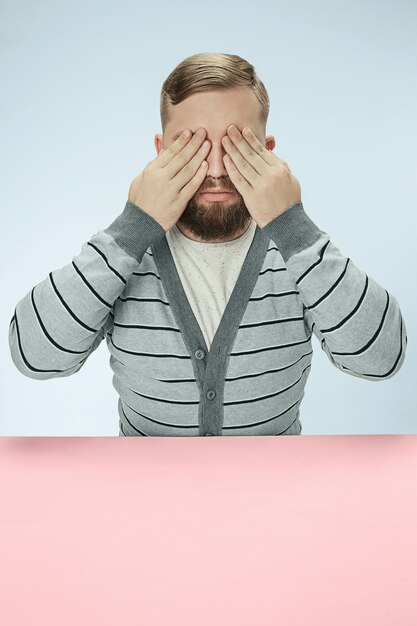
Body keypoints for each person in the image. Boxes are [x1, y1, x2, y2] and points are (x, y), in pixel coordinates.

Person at [8, 52, 407, 437]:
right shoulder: (125, 257)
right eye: (192, 148)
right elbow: (34, 357)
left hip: (280, 500)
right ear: (160, 154)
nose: (216, 170)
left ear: (268, 154)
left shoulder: (298, 257)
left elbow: (382, 359)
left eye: (238, 147)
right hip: (142, 498)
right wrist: (131, 227)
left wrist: (292, 226)